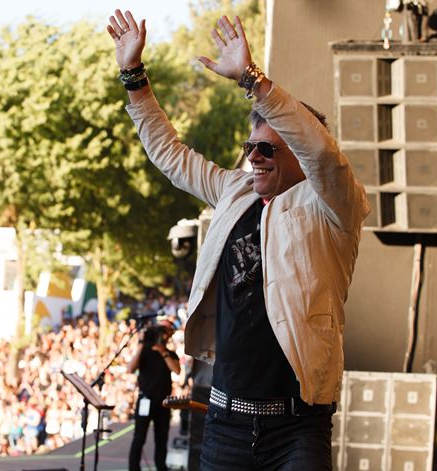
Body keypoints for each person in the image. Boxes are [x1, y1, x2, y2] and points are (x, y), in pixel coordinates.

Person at [107, 9, 369, 470]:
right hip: (226, 422)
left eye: (268, 148)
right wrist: (134, 77)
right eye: (251, 147)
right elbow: (170, 155)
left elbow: (323, 153)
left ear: (298, 155)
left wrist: (254, 82)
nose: (255, 157)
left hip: (297, 428)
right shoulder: (236, 191)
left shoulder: (332, 204)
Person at [126, 319, 181, 471]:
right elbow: (130, 369)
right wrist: (141, 345)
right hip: (145, 399)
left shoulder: (170, 354)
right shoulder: (144, 351)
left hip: (163, 402)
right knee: (139, 437)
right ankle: (133, 467)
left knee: (161, 438)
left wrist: (163, 352)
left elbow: (177, 370)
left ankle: (161, 466)